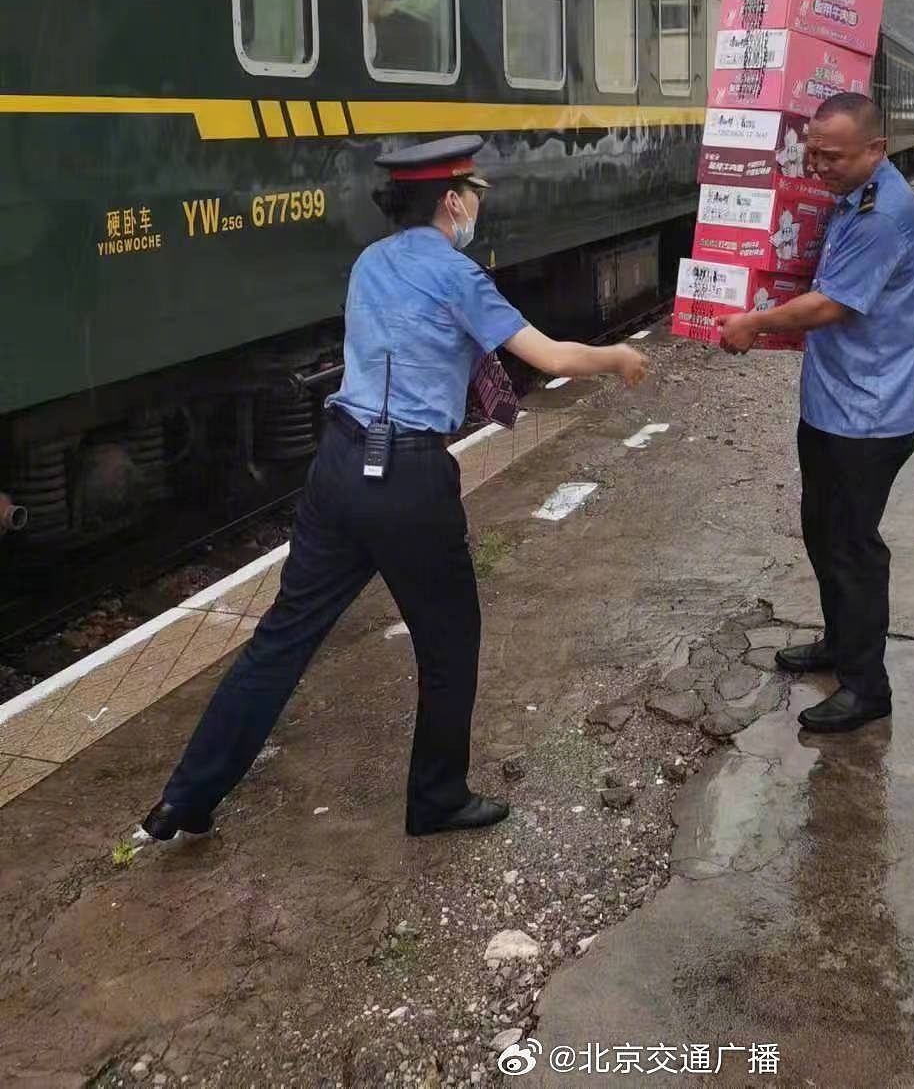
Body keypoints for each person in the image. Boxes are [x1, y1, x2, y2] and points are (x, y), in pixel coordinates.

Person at [140, 135, 648, 843]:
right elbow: (553, 356)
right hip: (408, 477)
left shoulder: (369, 262)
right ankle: (436, 800)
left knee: (282, 639)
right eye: (474, 195)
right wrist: (619, 357)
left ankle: (187, 799)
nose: (477, 208)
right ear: (450, 201)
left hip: (340, 464)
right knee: (449, 641)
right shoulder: (458, 276)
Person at [719, 92, 914, 734]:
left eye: (832, 156)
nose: (817, 166)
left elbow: (832, 305)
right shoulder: (853, 198)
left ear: (876, 149)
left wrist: (754, 322)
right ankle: (840, 643)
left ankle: (868, 687)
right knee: (823, 532)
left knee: (852, 549)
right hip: (835, 404)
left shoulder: (879, 215)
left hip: (868, 417)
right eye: (811, 152)